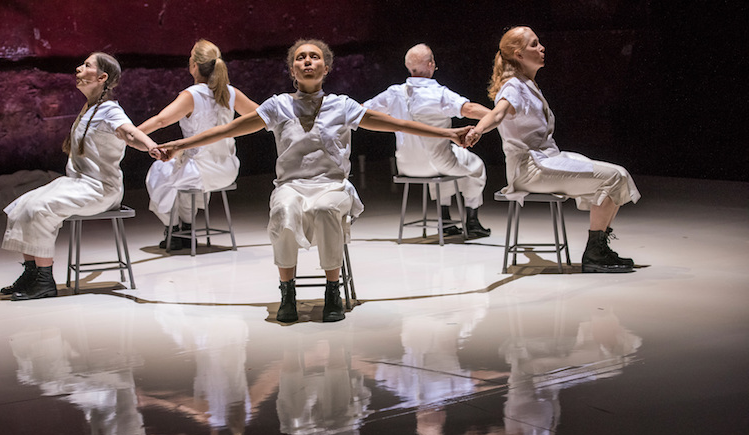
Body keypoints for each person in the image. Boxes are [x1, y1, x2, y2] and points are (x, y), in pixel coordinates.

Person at [156, 39, 470, 323]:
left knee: (326, 208)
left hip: (332, 186)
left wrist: (449, 133)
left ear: (326, 67)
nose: (308, 61)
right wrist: (180, 145)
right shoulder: (278, 105)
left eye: (314, 57)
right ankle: (287, 291)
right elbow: (227, 130)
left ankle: (332, 290)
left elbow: (397, 124)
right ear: (292, 69)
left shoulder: (343, 105)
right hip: (291, 186)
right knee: (284, 210)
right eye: (301, 57)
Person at [465, 27, 641, 273]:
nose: (542, 48)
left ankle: (598, 246)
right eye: (534, 44)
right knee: (612, 177)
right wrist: (478, 130)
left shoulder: (528, 84)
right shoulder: (513, 86)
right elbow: (498, 114)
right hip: (531, 168)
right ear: (518, 54)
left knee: (618, 174)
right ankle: (595, 252)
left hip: (547, 159)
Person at [0, 52, 160, 300]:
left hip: (99, 189)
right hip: (77, 183)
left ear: (102, 77)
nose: (78, 68)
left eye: (87, 65)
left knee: (39, 209)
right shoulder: (89, 108)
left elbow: (129, 134)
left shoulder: (110, 110)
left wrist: (151, 146)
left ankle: (44, 280)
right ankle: (32, 274)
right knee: (22, 205)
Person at [138, 40, 258, 249]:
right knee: (179, 174)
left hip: (200, 170)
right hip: (228, 169)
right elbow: (260, 115)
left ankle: (174, 227)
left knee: (159, 172)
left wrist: (130, 134)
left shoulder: (192, 95)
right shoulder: (231, 93)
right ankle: (185, 227)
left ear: (194, 65)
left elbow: (161, 121)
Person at [364, 43, 492, 237]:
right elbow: (469, 109)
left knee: (444, 162)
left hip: (405, 166)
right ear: (431, 64)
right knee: (476, 166)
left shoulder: (393, 93)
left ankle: (445, 220)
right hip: (438, 163)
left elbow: (362, 111)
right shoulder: (439, 93)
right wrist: (498, 116)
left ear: (409, 66)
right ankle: (472, 220)